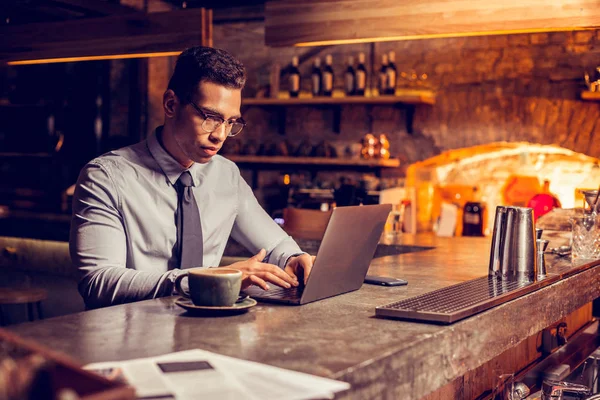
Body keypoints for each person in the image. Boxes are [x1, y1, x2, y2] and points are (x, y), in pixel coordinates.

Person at [70, 47, 314, 309]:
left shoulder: (226, 175)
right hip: (129, 338)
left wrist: (294, 258)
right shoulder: (105, 177)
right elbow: (98, 282)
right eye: (210, 118)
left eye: (231, 122)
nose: (220, 135)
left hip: (208, 332)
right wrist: (206, 279)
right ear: (171, 104)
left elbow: (275, 242)